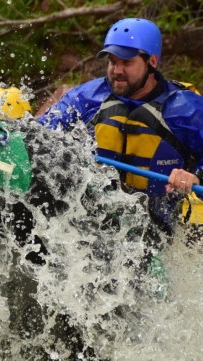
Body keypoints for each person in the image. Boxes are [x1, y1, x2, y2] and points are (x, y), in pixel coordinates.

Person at [38, 17, 203, 231]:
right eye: (113, 61)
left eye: (127, 63)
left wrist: (195, 176)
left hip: (152, 230)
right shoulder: (89, 98)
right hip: (88, 221)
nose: (116, 70)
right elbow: (40, 133)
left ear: (151, 62)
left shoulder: (186, 109)